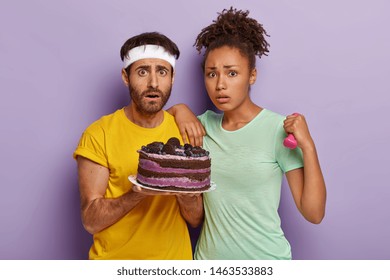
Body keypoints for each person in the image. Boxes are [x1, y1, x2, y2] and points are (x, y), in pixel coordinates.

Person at [172, 7, 327, 260]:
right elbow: (152, 126)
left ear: (251, 75)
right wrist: (179, 109)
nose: (220, 84)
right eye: (212, 74)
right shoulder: (200, 127)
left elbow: (314, 213)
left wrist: (308, 146)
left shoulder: (277, 129)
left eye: (232, 73)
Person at [73, 32, 204, 260]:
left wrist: (183, 193)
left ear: (172, 77)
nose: (153, 83)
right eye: (142, 71)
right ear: (126, 76)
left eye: (162, 72)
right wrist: (137, 194)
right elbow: (91, 221)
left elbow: (195, 219)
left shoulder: (185, 132)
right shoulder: (99, 134)